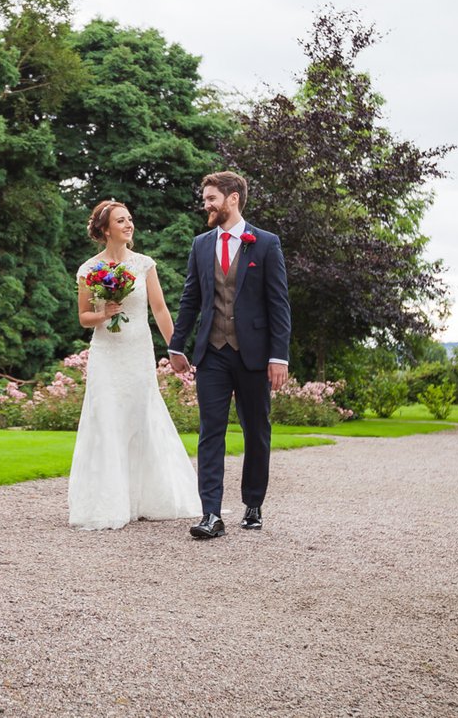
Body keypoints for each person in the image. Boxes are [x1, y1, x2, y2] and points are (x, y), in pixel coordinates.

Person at [167, 171, 292, 539]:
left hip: (253, 355)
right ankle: (211, 514)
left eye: (211, 198)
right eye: (205, 199)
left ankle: (253, 504)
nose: (205, 205)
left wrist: (279, 357)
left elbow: (278, 305)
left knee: (256, 431)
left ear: (232, 198)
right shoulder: (201, 245)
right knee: (211, 432)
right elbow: (191, 299)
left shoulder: (266, 244)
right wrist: (177, 345)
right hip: (213, 353)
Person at [68, 200, 201, 530]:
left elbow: (160, 309)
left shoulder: (144, 265)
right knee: (107, 419)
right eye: (121, 221)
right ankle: (109, 502)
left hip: (138, 351)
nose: (129, 225)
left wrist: (176, 349)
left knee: (142, 417)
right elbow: (84, 317)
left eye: (130, 219)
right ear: (105, 229)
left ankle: (147, 498)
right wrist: (104, 314)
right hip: (106, 353)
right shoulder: (89, 270)